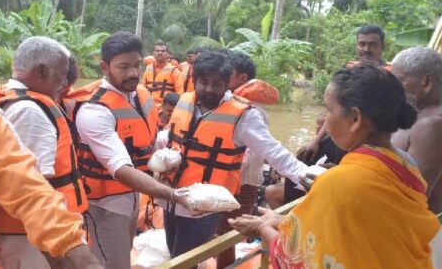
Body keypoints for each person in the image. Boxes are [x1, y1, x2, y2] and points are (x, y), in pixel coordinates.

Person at [230, 65, 442, 269]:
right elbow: (367, 231)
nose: (324, 119)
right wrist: (280, 220)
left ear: (355, 119)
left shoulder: (339, 182)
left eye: (328, 109)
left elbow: (296, 257)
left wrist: (263, 227)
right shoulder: (404, 166)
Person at [155, 51, 308, 262]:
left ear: (227, 83)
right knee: (175, 255)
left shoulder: (244, 115)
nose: (209, 89)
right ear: (194, 80)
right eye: (204, 82)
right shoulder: (185, 101)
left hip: (203, 206)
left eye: (217, 84)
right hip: (171, 198)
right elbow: (168, 136)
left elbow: (274, 152)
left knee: (183, 261)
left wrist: (309, 180)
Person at [0, 23, 102, 269]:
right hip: (22, 236)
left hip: (32, 232)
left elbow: (26, 187)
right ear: (43, 71)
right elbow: (36, 186)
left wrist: (68, 247)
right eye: (62, 74)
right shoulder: (30, 111)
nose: (65, 82)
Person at [66, 31, 194, 269]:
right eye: (123, 66)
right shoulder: (94, 110)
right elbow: (121, 169)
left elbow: (148, 142)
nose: (133, 73)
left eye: (136, 65)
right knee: (112, 264)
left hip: (133, 197)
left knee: (123, 256)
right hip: (106, 206)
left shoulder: (140, 94)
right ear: (105, 67)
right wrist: (175, 196)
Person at [214, 50, 280, 268]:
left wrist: (221, 172)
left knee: (226, 237)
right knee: (221, 234)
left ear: (242, 78)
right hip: (228, 182)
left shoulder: (253, 112)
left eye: (227, 74)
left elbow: (249, 154)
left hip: (241, 184)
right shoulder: (231, 106)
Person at [302, 25, 390, 164]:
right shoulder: (348, 71)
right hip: (340, 135)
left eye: (372, 44)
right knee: (305, 157)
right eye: (362, 44)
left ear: (382, 47)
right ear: (356, 46)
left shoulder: (388, 77)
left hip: (369, 143)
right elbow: (334, 109)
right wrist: (316, 140)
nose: (366, 49)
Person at [392, 47, 442, 214]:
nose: (391, 89)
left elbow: (411, 197)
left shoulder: (431, 125)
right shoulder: (416, 115)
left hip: (410, 232)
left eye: (398, 81)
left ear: (426, 82)